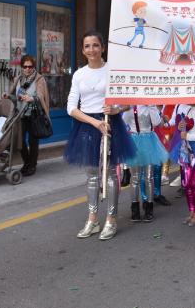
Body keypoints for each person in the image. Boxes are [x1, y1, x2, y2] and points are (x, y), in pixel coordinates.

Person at [64, 30, 136, 240]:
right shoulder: (79, 74)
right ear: (82, 50)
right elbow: (71, 107)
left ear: (103, 47)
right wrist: (94, 122)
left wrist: (116, 109)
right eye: (87, 46)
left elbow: (128, 102)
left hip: (110, 125)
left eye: (95, 45)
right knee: (92, 175)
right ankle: (92, 219)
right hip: (88, 125)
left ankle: (111, 220)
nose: (91, 50)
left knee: (111, 174)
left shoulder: (113, 71)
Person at [3, 55, 50, 176]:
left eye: (30, 66)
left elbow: (41, 96)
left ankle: (32, 165)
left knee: (33, 141)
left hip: (34, 114)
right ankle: (27, 162)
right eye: (25, 66)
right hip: (21, 114)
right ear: (22, 67)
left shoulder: (39, 79)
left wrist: (31, 98)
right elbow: (16, 97)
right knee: (20, 140)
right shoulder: (19, 79)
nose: (28, 69)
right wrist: (8, 96)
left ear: (33, 67)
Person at [123, 105, 169, 222]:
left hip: (149, 141)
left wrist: (152, 106)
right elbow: (124, 122)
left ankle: (149, 207)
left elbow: (157, 122)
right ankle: (135, 208)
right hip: (134, 141)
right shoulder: (130, 107)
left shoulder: (150, 106)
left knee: (148, 177)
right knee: (135, 178)